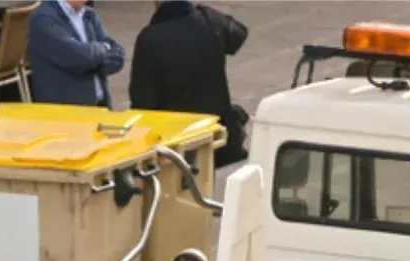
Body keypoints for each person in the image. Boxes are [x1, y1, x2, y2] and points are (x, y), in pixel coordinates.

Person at [128, 0, 248, 161]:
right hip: (211, 129)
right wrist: (207, 12)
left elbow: (142, 100)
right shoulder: (209, 22)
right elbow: (238, 34)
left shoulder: (149, 38)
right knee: (205, 180)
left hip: (173, 138)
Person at [27, 0, 126, 109]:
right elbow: (80, 57)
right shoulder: (44, 19)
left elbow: (118, 57)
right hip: (67, 113)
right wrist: (103, 48)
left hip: (101, 106)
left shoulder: (88, 14)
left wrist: (92, 61)